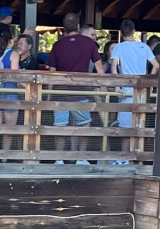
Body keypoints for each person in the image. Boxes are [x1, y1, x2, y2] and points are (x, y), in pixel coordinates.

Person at [48, 13, 100, 163]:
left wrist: (49, 94)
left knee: (60, 126)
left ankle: (59, 159)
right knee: (84, 124)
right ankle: (81, 158)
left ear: (64, 28)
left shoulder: (57, 45)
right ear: (78, 26)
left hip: (59, 92)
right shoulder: (89, 43)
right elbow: (99, 66)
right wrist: (105, 85)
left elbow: (52, 71)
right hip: (80, 92)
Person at [109, 20, 155, 135]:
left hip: (126, 90)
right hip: (142, 90)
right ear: (134, 31)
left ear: (121, 33)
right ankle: (138, 152)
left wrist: (117, 86)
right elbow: (156, 65)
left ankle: (126, 152)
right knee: (139, 127)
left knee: (126, 129)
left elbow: (114, 67)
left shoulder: (119, 47)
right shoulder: (144, 47)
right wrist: (149, 81)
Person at [0, 30, 20, 154]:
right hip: (10, 92)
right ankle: (4, 156)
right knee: (9, 128)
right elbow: (15, 75)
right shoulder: (14, 54)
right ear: (11, 41)